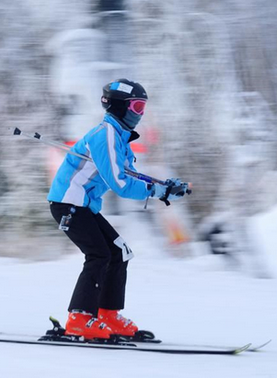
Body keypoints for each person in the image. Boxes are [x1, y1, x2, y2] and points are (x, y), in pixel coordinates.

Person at [47, 78, 187, 340]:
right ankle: (78, 319)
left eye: (143, 107)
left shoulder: (119, 138)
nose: (140, 114)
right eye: (136, 106)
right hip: (68, 203)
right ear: (118, 106)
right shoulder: (106, 135)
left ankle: (107, 314)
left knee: (120, 253)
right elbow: (121, 184)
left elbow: (130, 174)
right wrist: (159, 192)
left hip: (83, 205)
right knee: (99, 255)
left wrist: (164, 186)